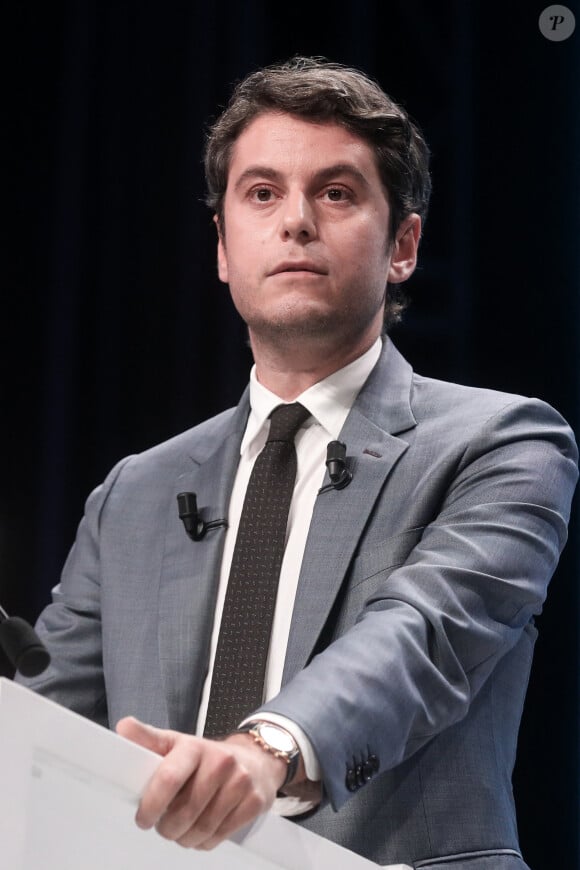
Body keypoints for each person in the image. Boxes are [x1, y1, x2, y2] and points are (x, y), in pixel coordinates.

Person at [19, 57, 578, 868]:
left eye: (338, 193)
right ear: (222, 247)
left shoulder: (504, 443)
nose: (296, 222)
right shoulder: (135, 493)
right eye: (262, 193)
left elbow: (421, 636)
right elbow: (43, 726)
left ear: (404, 246)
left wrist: (264, 752)